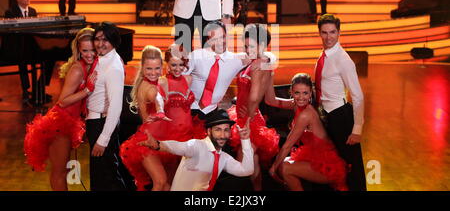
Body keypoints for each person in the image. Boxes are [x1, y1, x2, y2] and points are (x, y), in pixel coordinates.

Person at [23, 28, 97, 190]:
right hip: (59, 124)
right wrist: (87, 90)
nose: (89, 54)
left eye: (93, 49)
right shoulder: (78, 69)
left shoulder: (89, 66)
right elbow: (63, 101)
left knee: (62, 170)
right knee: (59, 172)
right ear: (78, 50)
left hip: (70, 123)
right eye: (85, 50)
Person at [120, 44, 196, 191]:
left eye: (156, 68)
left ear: (162, 67)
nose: (153, 72)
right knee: (161, 182)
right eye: (149, 68)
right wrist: (160, 110)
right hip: (151, 139)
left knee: (170, 185)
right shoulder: (153, 85)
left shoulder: (182, 80)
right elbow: (158, 98)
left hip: (172, 139)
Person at [265, 73, 348, 191]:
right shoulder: (295, 104)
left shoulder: (307, 114)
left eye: (305, 93)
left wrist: (273, 168)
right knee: (284, 163)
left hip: (327, 165)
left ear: (310, 94)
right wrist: (270, 74)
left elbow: (288, 145)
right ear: (291, 92)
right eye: (297, 93)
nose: (301, 97)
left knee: (284, 167)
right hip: (312, 157)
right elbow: (270, 100)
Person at [138, 108, 253, 191]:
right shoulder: (197, 146)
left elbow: (247, 170)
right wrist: (158, 145)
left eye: (226, 130)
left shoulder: (223, 158)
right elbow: (179, 147)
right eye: (218, 129)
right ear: (208, 131)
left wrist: (245, 140)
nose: (222, 135)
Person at [314, 14, 366, 191]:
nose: (329, 37)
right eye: (324, 32)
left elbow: (358, 95)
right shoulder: (324, 56)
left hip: (341, 116)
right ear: (319, 33)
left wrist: (357, 128)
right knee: (334, 165)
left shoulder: (343, 60)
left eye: (333, 32)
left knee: (352, 168)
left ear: (339, 33)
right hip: (327, 116)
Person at [226, 24, 279, 191]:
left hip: (250, 120)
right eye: (246, 46)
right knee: (252, 162)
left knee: (245, 164)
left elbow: (255, 96)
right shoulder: (259, 62)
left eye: (251, 46)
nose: (248, 50)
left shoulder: (258, 66)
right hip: (245, 116)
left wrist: (248, 116)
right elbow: (268, 98)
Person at [85, 21, 126, 191]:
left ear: (113, 41)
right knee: (100, 175)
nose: (100, 44)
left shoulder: (113, 66)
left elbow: (116, 107)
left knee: (108, 176)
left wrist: (103, 139)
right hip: (96, 122)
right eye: (97, 39)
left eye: (105, 40)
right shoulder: (104, 59)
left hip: (102, 125)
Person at [4, 0, 54, 103]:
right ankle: (26, 90)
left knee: (50, 56)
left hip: (32, 46)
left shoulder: (32, 11)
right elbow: (10, 34)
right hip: (17, 47)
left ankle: (39, 88)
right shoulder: (10, 12)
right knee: (23, 58)